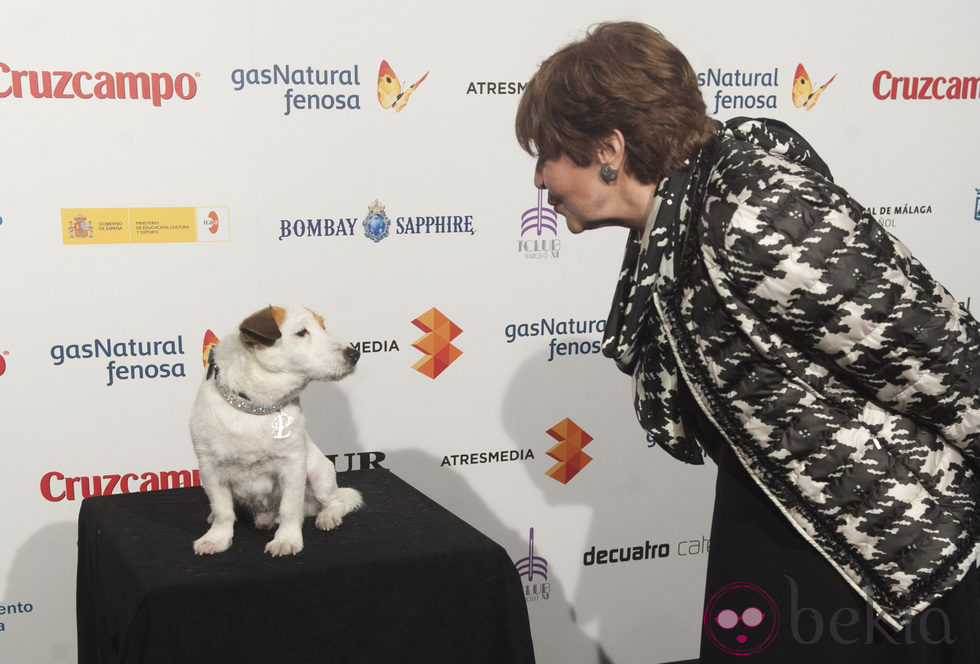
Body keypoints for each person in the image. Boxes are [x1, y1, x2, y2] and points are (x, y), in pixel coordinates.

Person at [516, 21, 980, 662]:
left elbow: (946, 361)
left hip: (881, 555)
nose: (539, 180)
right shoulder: (673, 227)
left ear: (609, 147)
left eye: (546, 154)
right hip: (775, 505)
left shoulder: (752, 211)